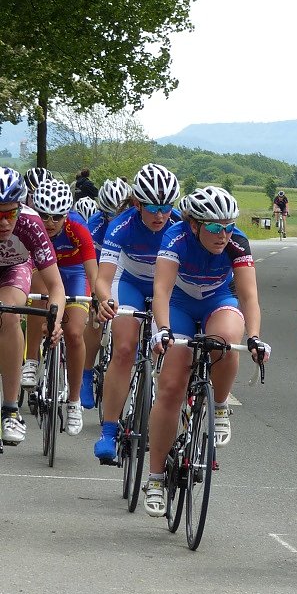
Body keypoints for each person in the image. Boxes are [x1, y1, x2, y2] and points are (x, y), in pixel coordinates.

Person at [146, 186, 269, 516]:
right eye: (215, 227)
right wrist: (164, 330)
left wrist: (255, 337)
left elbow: (249, 297)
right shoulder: (175, 238)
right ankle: (156, 476)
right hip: (179, 305)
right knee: (171, 387)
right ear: (194, 224)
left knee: (227, 342)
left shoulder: (237, 242)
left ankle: (219, 404)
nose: (223, 234)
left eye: (229, 226)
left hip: (218, 301)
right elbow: (161, 289)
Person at [93, 163, 179, 463]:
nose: (159, 215)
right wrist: (104, 300)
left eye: (166, 207)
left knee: (171, 345)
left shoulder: (179, 225)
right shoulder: (121, 225)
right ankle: (108, 430)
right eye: (152, 207)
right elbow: (103, 279)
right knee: (125, 348)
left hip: (164, 288)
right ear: (137, 203)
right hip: (127, 282)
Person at [22, 179, 97, 436]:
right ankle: (31, 359)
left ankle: (74, 401)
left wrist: (98, 299)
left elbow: (91, 270)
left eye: (57, 216)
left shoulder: (78, 228)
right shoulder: (31, 226)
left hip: (74, 273)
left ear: (66, 214)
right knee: (37, 296)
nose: (50, 222)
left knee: (75, 332)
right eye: (44, 215)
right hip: (44, 272)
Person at [0, 168, 65, 444]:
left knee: (9, 313)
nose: (5, 223)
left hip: (14, 269)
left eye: (10, 214)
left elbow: (56, 287)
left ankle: (11, 410)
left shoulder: (30, 224)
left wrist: (56, 321)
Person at [80, 177, 132, 409]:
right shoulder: (94, 225)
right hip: (97, 270)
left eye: (117, 213)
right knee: (95, 319)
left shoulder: (130, 223)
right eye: (108, 215)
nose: (113, 219)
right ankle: (86, 373)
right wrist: (94, 295)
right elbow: (88, 263)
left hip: (122, 273)